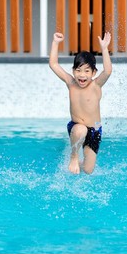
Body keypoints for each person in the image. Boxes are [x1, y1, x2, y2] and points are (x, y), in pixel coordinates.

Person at [49, 32, 112, 174]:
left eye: (86, 71)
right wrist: (55, 42)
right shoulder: (71, 83)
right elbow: (53, 64)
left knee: (88, 170)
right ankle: (74, 156)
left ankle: (80, 162)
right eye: (78, 70)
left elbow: (107, 71)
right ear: (73, 71)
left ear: (94, 72)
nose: (82, 75)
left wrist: (104, 49)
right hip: (77, 127)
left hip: (95, 130)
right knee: (81, 129)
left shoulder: (96, 85)